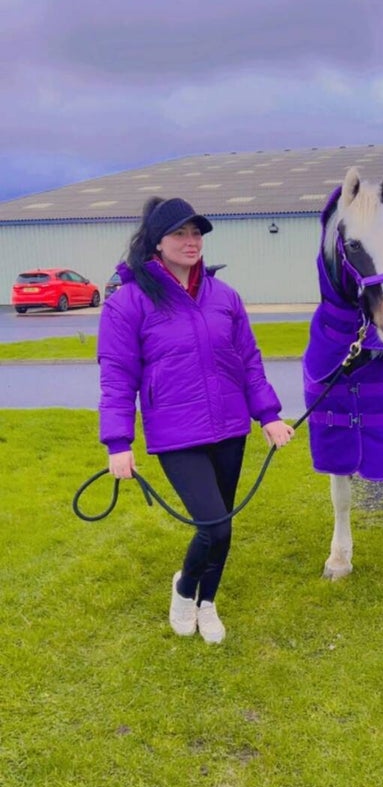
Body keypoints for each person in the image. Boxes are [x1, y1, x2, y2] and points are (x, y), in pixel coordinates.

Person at [97, 196, 294, 643]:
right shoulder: (129, 303)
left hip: (229, 428)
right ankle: (185, 590)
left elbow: (248, 361)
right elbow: (117, 376)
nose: (191, 241)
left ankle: (209, 603)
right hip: (177, 434)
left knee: (224, 526)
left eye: (196, 233)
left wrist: (268, 415)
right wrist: (118, 443)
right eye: (180, 234)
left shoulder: (225, 297)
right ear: (156, 242)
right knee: (213, 524)